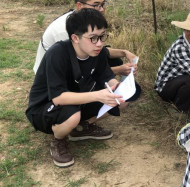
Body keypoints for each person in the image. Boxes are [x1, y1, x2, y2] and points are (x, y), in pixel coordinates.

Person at [26, 9, 140, 168]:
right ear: (75, 38)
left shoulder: (97, 52)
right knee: (72, 114)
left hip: (78, 98)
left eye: (102, 36)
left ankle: (81, 128)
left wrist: (119, 87)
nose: (99, 43)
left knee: (123, 97)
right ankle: (58, 140)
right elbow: (58, 98)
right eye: (93, 38)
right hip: (45, 107)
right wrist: (98, 95)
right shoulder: (57, 53)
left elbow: (107, 78)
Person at [32, 0, 138, 78]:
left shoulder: (83, 19)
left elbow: (100, 51)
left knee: (114, 60)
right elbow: (79, 68)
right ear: (79, 6)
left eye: (103, 4)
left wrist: (124, 52)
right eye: (96, 5)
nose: (101, 9)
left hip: (76, 63)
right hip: (52, 74)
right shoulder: (65, 30)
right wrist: (118, 70)